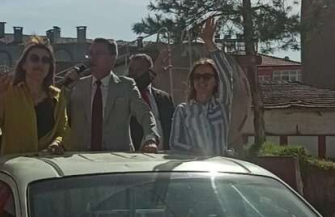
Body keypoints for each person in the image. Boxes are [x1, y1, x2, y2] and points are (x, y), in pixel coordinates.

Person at [65, 37, 158, 152]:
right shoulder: (77, 86)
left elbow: (144, 113)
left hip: (117, 158)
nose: (92, 58)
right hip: (79, 157)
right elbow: (60, 115)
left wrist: (150, 139)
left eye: (98, 53)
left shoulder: (126, 86)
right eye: (90, 54)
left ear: (113, 59)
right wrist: (66, 88)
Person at [0, 37, 67, 155]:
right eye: (34, 59)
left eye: (45, 60)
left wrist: (56, 143)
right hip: (15, 164)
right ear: (24, 65)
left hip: (47, 163)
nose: (40, 64)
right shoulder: (8, 92)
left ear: (50, 67)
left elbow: (62, 131)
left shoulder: (57, 96)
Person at [169, 16, 235, 156]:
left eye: (206, 77)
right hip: (194, 166)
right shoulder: (183, 110)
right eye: (197, 77)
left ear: (215, 81)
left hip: (219, 164)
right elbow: (175, 143)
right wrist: (193, 150)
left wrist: (209, 43)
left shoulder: (221, 105)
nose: (201, 80)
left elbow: (226, 74)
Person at [128, 48, 175, 151]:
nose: (133, 74)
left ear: (148, 71)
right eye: (131, 70)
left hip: (162, 154)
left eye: (138, 70)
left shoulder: (164, 98)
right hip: (134, 154)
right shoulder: (126, 94)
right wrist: (154, 71)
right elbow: (137, 85)